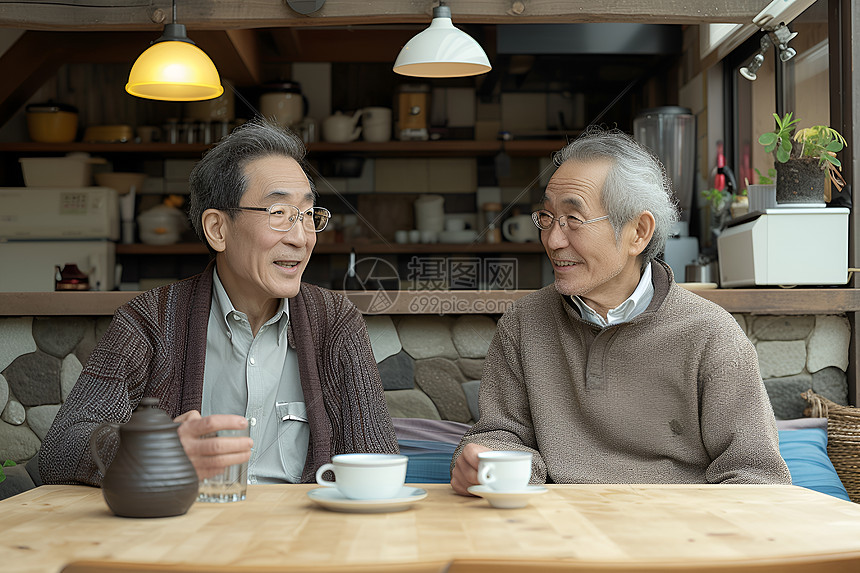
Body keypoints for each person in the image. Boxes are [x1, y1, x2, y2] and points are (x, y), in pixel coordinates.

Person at [40, 119, 398, 486]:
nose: (301, 237)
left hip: (301, 536)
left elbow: (379, 461)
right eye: (279, 214)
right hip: (188, 535)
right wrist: (152, 451)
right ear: (217, 229)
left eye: (307, 215)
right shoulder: (151, 319)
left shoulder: (336, 323)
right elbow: (59, 452)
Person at [450, 128, 790, 494]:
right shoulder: (524, 323)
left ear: (638, 232)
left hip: (675, 536)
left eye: (573, 220)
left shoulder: (711, 335)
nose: (553, 239)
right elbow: (503, 435)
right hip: (561, 531)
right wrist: (489, 461)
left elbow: (758, 479)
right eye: (547, 218)